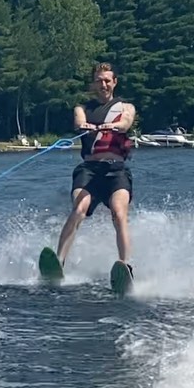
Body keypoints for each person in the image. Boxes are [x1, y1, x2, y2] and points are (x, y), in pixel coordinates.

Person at [56, 62, 136, 272]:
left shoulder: (126, 108)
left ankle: (125, 266)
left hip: (116, 171)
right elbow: (78, 121)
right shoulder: (82, 108)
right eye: (99, 81)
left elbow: (126, 123)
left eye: (107, 80)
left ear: (114, 82)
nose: (103, 85)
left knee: (119, 213)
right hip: (89, 170)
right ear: (93, 84)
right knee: (79, 209)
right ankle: (59, 261)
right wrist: (85, 126)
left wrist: (113, 126)